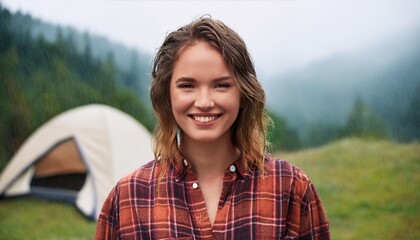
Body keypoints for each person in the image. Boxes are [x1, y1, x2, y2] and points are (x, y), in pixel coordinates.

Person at [96, 17, 330, 239]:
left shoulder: (291, 189)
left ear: (244, 93)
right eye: (187, 86)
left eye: (221, 85)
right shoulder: (128, 197)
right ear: (167, 95)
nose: (205, 102)